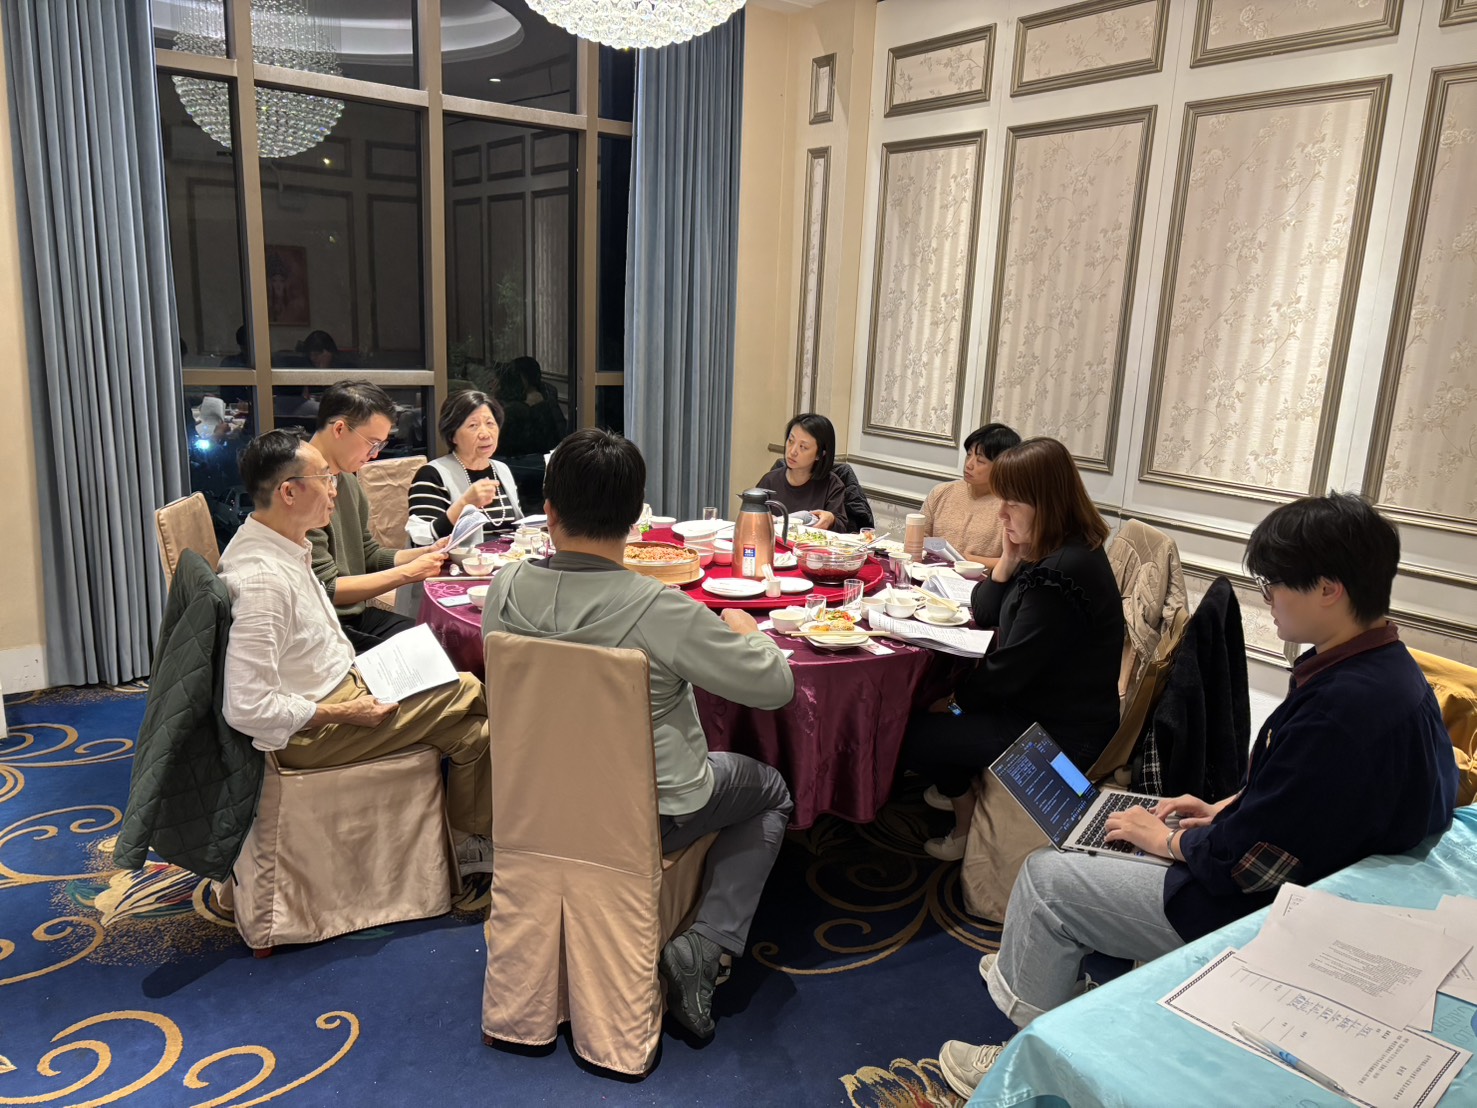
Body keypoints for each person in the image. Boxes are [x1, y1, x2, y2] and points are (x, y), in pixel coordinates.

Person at [935, 492, 1460, 1099]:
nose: (1269, 599)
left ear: (1328, 589)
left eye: (1274, 585)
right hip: (1331, 883)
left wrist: (1172, 841)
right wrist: (1225, 807)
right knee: (1099, 839)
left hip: (1278, 914)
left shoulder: (1340, 711)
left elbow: (1248, 865)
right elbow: (1324, 800)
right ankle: (1036, 971)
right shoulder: (1391, 671)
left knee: (1046, 880)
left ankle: (1028, 1057)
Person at [481, 428, 796, 1041]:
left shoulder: (505, 588)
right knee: (771, 789)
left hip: (533, 804)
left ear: (549, 512)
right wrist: (748, 632)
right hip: (642, 814)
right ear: (635, 520)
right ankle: (706, 943)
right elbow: (775, 686)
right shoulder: (659, 608)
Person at [217, 430, 493, 876]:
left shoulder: (284, 544)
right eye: (324, 479)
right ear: (289, 492)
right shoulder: (262, 580)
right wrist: (347, 713)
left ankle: (469, 842)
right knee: (470, 686)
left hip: (342, 683)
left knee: (475, 732)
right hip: (311, 732)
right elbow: (247, 707)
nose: (335, 489)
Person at [900, 437, 1123, 862]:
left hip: (1055, 734)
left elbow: (1009, 670)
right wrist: (1007, 560)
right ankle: (962, 782)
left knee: (912, 733)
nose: (1001, 513)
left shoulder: (1060, 574)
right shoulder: (1055, 551)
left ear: (1046, 504)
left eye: (1012, 504)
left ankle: (965, 820)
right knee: (935, 712)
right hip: (1039, 709)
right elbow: (985, 611)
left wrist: (956, 703)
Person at [305, 380, 449, 651]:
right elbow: (327, 588)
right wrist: (407, 573)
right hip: (320, 627)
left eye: (381, 445)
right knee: (428, 654)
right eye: (372, 444)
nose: (374, 455)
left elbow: (367, 553)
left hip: (353, 616)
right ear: (339, 429)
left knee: (442, 640)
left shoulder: (347, 480)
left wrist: (425, 553)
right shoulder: (303, 486)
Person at [407, 390, 522, 547]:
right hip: (460, 562)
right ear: (452, 435)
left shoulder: (502, 470)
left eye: (490, 423)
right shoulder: (432, 475)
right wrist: (465, 504)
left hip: (509, 560)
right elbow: (423, 541)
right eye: (473, 426)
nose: (485, 434)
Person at [922, 422, 1021, 566]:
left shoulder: (1010, 506)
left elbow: (1016, 561)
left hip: (982, 579)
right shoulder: (942, 492)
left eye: (980, 461)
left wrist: (965, 561)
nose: (969, 464)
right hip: (931, 573)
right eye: (968, 455)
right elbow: (918, 538)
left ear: (1002, 466)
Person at [755, 413, 849, 530]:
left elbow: (842, 529)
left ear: (820, 454)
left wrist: (832, 520)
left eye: (803, 447)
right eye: (790, 441)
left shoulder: (832, 485)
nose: (792, 451)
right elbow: (749, 521)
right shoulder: (769, 481)